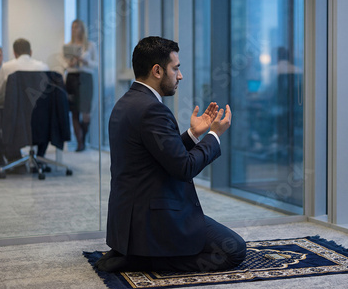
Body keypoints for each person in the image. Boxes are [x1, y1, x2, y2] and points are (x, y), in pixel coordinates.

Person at [96, 36, 246, 273]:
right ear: (157, 70)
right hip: (153, 220)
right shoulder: (153, 110)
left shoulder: (126, 103)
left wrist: (193, 134)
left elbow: (158, 156)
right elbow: (184, 168)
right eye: (175, 68)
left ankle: (136, 253)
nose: (180, 75)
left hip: (130, 219)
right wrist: (214, 136)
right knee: (233, 249)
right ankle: (145, 260)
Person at [0, 38, 49, 165]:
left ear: (14, 53)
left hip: (17, 118)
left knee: (5, 117)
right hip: (40, 118)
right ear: (31, 52)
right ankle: (40, 157)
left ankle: (16, 160)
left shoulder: (7, 67)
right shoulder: (44, 67)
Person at [64, 19, 98, 152]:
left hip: (85, 78)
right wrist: (70, 63)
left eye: (77, 27)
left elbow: (96, 64)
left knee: (86, 112)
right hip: (72, 78)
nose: (74, 29)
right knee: (74, 111)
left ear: (82, 29)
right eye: (72, 27)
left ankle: (83, 138)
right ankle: (80, 143)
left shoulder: (90, 46)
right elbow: (64, 65)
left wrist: (85, 61)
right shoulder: (67, 46)